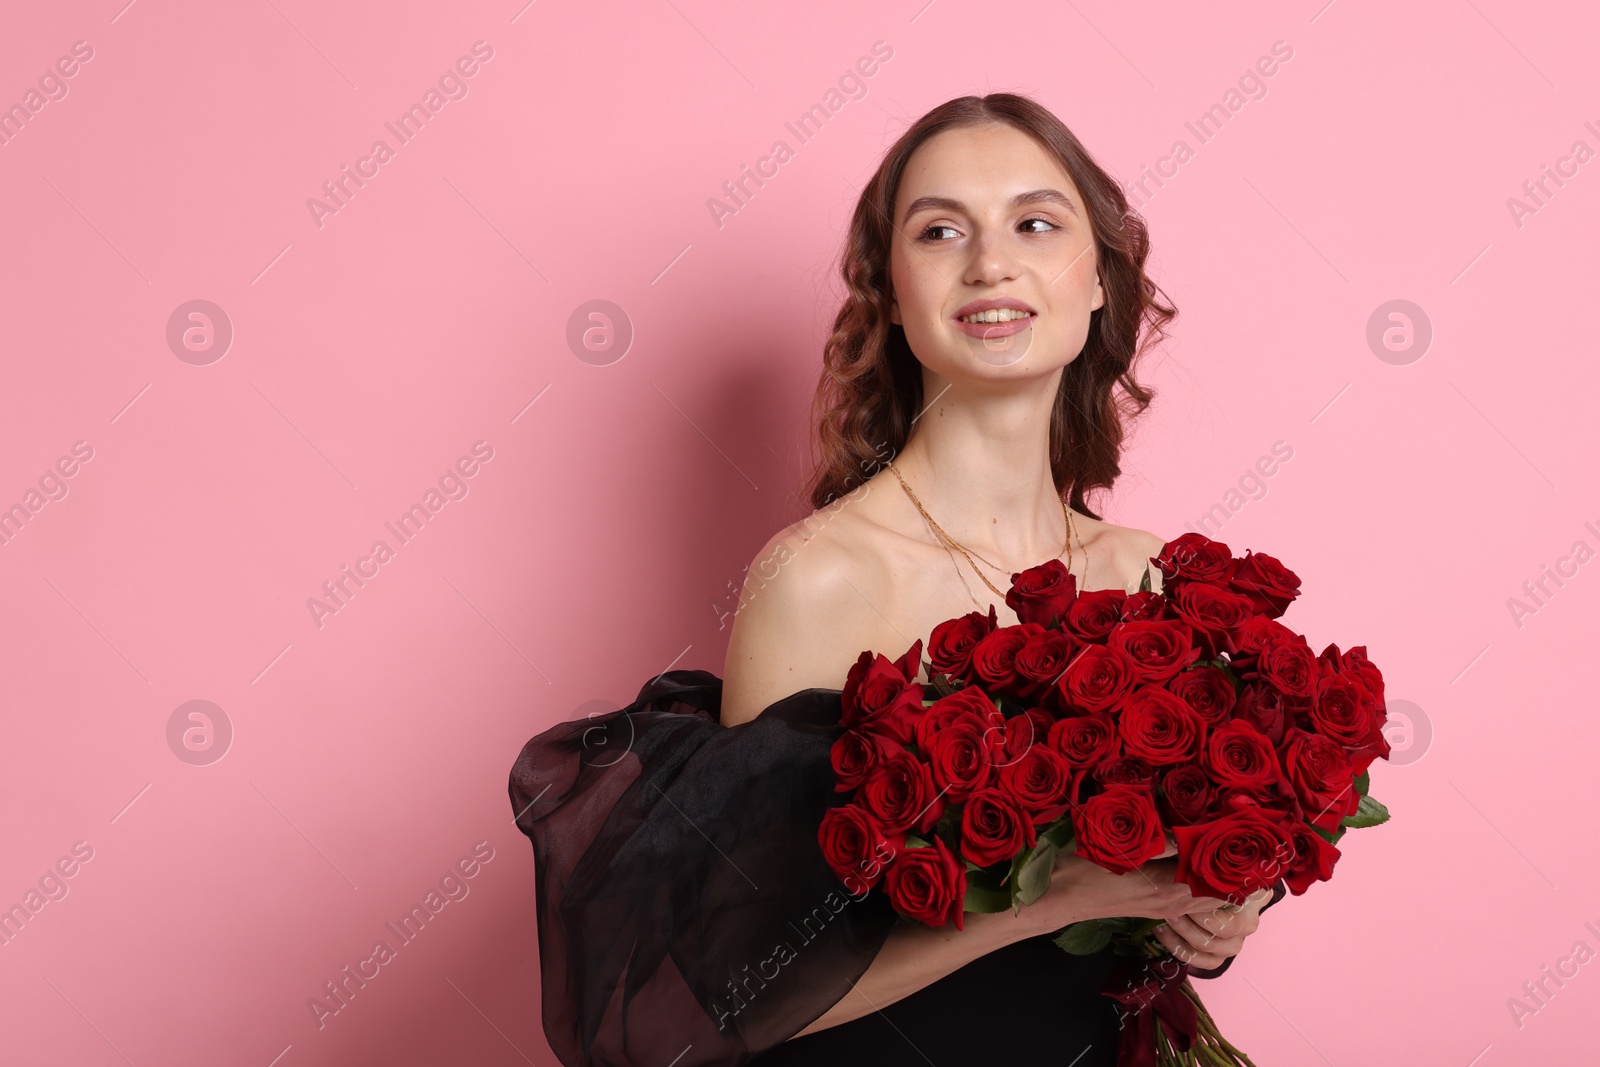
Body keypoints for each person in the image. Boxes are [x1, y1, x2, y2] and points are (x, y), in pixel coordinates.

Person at [509, 92, 1283, 1067]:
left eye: (1034, 223)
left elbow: (1150, 902)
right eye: (939, 231)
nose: (990, 261)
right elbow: (734, 993)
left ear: (1098, 280)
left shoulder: (1151, 576)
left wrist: (1214, 908)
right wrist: (1048, 901)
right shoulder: (820, 579)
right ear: (892, 290)